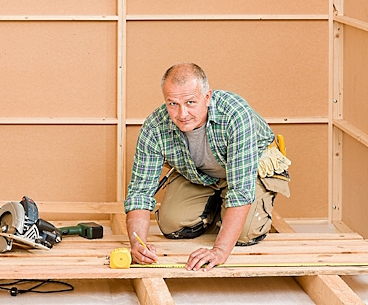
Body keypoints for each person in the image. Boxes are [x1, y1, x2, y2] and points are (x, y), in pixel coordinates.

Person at [124, 63, 290, 271]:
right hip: (200, 176)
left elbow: (240, 191)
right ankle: (220, 208)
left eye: (190, 102)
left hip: (248, 174)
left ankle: (232, 216)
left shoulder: (235, 115)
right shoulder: (155, 127)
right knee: (172, 225)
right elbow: (140, 192)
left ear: (207, 97)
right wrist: (137, 243)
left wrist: (219, 250)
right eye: (173, 103)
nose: (182, 113)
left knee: (244, 234)